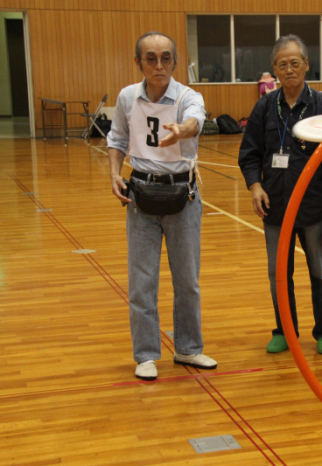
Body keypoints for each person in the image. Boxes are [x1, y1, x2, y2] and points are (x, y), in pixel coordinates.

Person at [107, 31, 216, 381]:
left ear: (174, 62)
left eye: (165, 57)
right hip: (141, 195)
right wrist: (113, 173)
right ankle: (146, 354)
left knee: (187, 280)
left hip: (182, 196)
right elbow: (117, 137)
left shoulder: (187, 96)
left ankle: (188, 348)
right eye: (150, 58)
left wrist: (182, 131)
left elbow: (196, 119)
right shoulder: (127, 97)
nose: (158, 65)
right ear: (138, 62)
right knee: (142, 281)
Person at [238, 35, 322, 355]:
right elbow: (250, 153)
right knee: (278, 276)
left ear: (306, 65)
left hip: (313, 207)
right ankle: (284, 329)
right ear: (273, 70)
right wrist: (255, 185)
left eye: (295, 63)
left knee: (320, 273)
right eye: (282, 65)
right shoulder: (264, 107)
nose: (289, 70)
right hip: (275, 207)